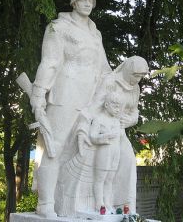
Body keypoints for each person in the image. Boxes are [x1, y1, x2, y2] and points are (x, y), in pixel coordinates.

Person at [29, 0, 112, 217]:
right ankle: (45, 204)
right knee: (55, 148)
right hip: (65, 93)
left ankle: (70, 204)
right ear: (73, 3)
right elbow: (50, 63)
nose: (87, 3)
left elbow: (105, 68)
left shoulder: (96, 34)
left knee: (80, 150)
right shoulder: (59, 28)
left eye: (91, 0)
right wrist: (38, 95)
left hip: (91, 98)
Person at [57, 56, 149, 217]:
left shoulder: (135, 89)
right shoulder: (110, 81)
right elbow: (93, 107)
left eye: (141, 76)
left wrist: (132, 119)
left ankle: (123, 207)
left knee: (128, 160)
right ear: (127, 70)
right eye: (136, 75)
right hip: (101, 132)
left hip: (119, 134)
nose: (138, 79)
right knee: (98, 173)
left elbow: (134, 111)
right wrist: (83, 129)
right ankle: (96, 205)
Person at [90, 92, 124, 212]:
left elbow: (120, 137)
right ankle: (99, 203)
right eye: (115, 106)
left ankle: (108, 202)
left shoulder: (116, 121)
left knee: (109, 179)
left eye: (119, 107)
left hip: (115, 151)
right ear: (106, 105)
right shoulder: (98, 119)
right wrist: (106, 135)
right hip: (104, 151)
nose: (117, 109)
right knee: (100, 179)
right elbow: (92, 137)